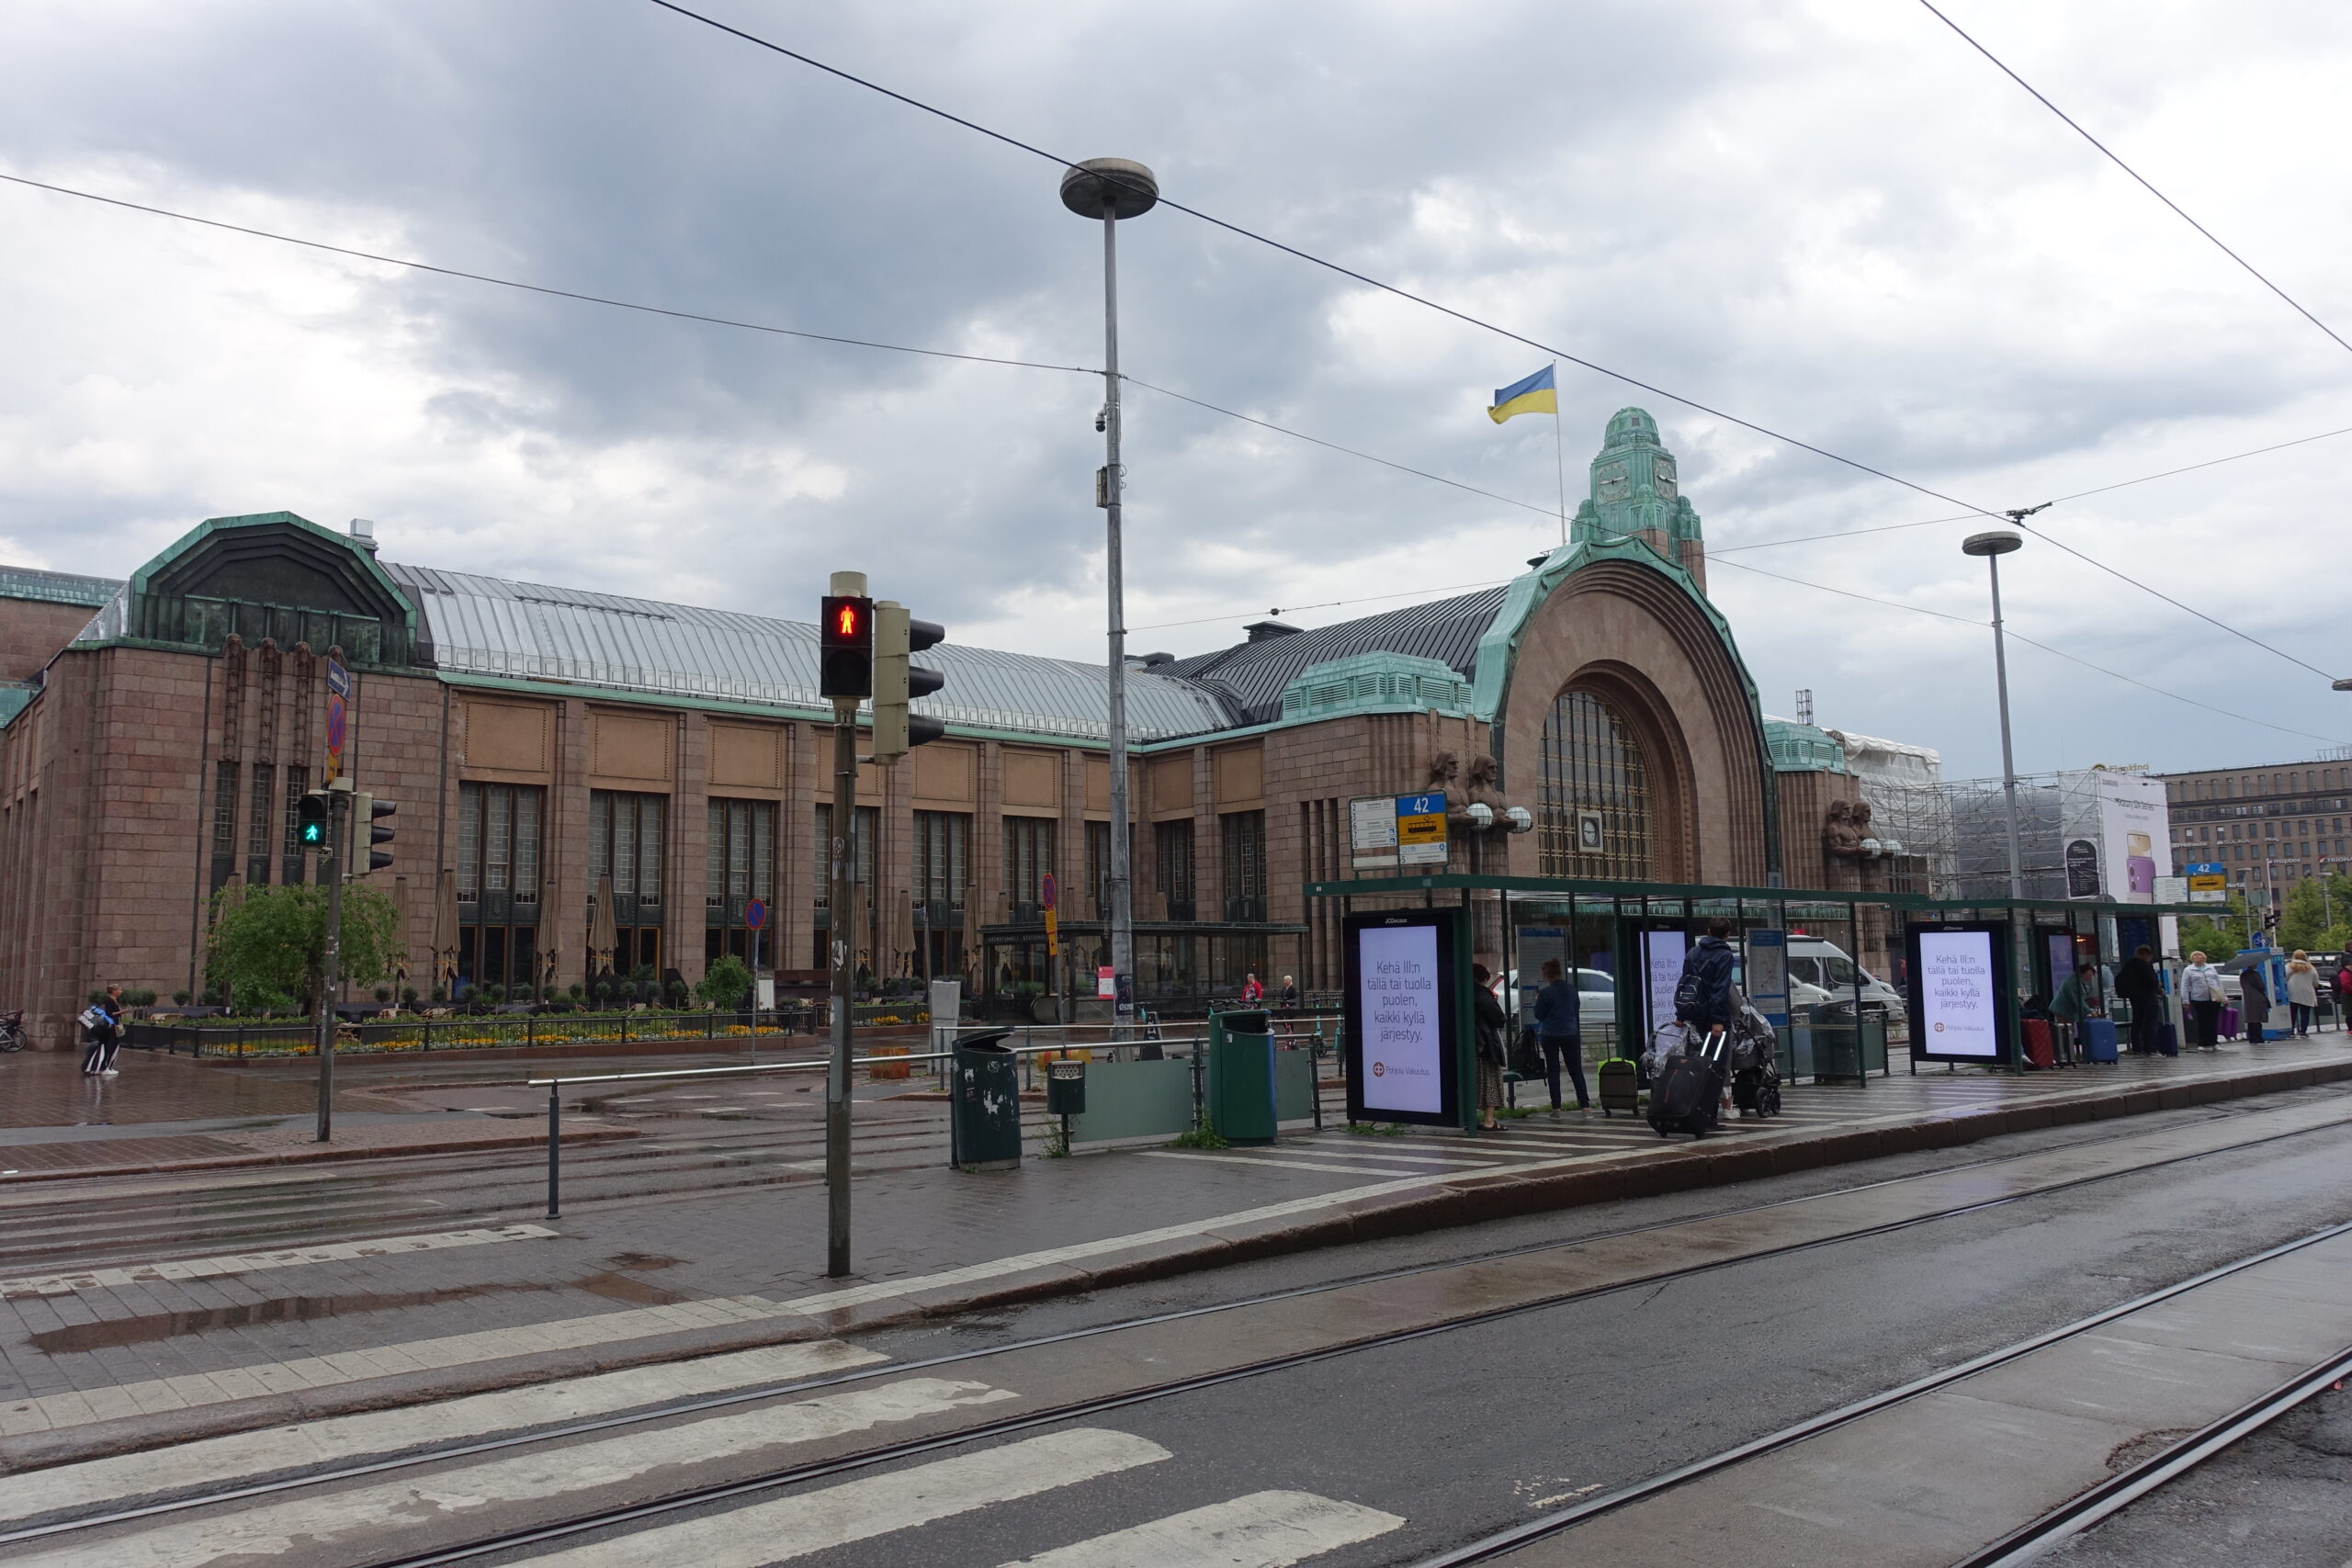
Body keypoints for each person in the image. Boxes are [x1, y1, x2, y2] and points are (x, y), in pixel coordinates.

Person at [1532, 958, 1589, 1113]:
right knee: (1576, 1069)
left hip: (1550, 1034)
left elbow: (1538, 1014)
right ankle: (1585, 1105)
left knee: (1553, 1069)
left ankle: (1556, 1107)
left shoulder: (1546, 993)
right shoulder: (1571, 989)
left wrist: (1537, 999)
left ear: (1546, 974)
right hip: (1570, 1032)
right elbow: (1575, 1008)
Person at [1471, 963, 1510, 1131]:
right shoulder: (1482, 995)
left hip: (1471, 1045)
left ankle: (1469, 1119)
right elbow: (1499, 1019)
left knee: (1473, 1083)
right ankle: (1489, 1120)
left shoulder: (1461, 993)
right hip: (1485, 1045)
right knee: (1490, 1081)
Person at [2114, 945, 2163, 1055]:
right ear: (2146, 955)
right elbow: (2153, 982)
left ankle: (2136, 1047)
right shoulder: (2145, 966)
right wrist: (2159, 987)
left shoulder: (2128, 965)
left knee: (2137, 1022)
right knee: (2151, 1022)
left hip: (2135, 998)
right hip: (2148, 998)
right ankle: (2150, 1048)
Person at [2052, 961, 2097, 1060]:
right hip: (2063, 1009)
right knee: (2067, 1031)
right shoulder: (2073, 982)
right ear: (2082, 973)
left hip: (2066, 1010)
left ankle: (2069, 1054)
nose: (2089, 978)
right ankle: (2067, 1055)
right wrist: (2089, 1010)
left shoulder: (2076, 981)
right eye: (2088, 976)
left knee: (2069, 1031)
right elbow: (2077, 1000)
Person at [2180, 951, 2225, 1051]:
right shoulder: (2189, 970)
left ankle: (2214, 1042)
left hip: (2214, 997)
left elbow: (2218, 982)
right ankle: (2202, 1043)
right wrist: (2185, 1000)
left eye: (2199, 954)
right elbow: (2185, 985)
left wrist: (2224, 997)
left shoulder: (2211, 968)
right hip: (2199, 998)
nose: (2197, 956)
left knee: (2213, 1021)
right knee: (2202, 1021)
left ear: (2204, 957)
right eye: (2195, 955)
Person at [79, 984, 125, 1077]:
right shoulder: (108, 1000)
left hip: (112, 1026)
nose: (121, 991)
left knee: (111, 1046)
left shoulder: (113, 1000)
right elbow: (109, 1014)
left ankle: (105, 1067)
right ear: (113, 991)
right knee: (106, 1046)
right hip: (108, 1027)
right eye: (119, 990)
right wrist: (121, 1012)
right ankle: (101, 1067)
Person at [2285, 950, 2319, 1037]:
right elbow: (2316, 983)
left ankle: (2291, 1030)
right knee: (2305, 1013)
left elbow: (2284, 978)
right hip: (2307, 993)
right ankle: (2303, 1031)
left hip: (2292, 992)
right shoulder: (2311, 968)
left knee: (2292, 1013)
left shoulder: (2289, 966)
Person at [2240, 959, 2269, 1044]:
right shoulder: (2255, 974)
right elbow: (2261, 986)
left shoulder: (2243, 974)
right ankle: (2259, 1038)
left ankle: (2252, 1038)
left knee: (2251, 1019)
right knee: (2257, 1018)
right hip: (2257, 998)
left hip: (2248, 998)